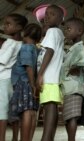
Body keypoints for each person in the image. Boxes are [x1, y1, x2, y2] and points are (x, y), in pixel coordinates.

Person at [36, 5, 66, 141]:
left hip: (49, 76)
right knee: (50, 106)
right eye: (47, 14)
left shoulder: (53, 31)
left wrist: (40, 74)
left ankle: (46, 137)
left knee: (50, 106)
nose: (47, 16)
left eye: (52, 14)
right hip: (52, 76)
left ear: (60, 19)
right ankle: (49, 136)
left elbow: (50, 51)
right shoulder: (57, 32)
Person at [9, 23, 42, 141]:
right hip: (31, 83)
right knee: (32, 112)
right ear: (39, 38)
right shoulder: (37, 49)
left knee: (26, 112)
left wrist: (32, 84)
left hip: (24, 83)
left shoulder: (25, 48)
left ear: (25, 33)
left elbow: (28, 67)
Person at [60, 17, 84, 141]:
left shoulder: (79, 48)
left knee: (72, 117)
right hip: (68, 88)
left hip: (74, 88)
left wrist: (77, 66)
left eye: (69, 28)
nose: (66, 31)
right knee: (68, 117)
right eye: (65, 28)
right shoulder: (72, 49)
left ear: (79, 31)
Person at [0, 13, 27, 141]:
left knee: (2, 111)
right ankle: (15, 138)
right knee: (14, 110)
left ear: (19, 27)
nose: (5, 26)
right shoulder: (22, 44)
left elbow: (2, 60)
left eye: (8, 24)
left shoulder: (9, 42)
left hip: (3, 79)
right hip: (13, 80)